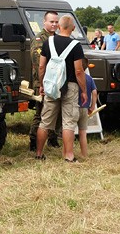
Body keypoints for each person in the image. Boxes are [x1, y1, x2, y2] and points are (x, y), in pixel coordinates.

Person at [36, 14, 87, 162]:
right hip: (70, 86)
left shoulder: (48, 42)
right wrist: (83, 90)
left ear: (59, 26)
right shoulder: (76, 46)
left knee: (45, 121)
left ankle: (39, 153)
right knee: (68, 122)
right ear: (73, 28)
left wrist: (41, 84)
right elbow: (79, 71)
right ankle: (69, 156)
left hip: (51, 85)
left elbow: (41, 66)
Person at [29, 11, 61, 151]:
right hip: (43, 82)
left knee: (58, 111)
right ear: (44, 22)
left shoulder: (58, 39)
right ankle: (34, 140)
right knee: (42, 112)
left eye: (56, 22)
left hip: (58, 81)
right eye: (51, 22)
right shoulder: (39, 40)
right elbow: (39, 63)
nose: (54, 24)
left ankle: (52, 139)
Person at [76, 59, 98, 158]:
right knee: (83, 132)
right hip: (85, 108)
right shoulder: (89, 79)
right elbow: (94, 92)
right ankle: (84, 154)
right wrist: (92, 106)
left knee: (69, 130)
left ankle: (67, 152)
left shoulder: (75, 78)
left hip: (74, 107)